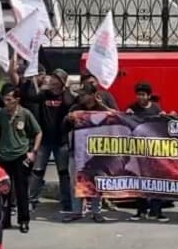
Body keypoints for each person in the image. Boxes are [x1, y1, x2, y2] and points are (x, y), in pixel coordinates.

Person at [63, 85, 115, 223]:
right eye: (80, 94)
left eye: (84, 94)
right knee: (76, 181)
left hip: (96, 152)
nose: (81, 97)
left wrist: (102, 105)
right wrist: (68, 119)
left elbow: (116, 117)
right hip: (77, 151)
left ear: (92, 95)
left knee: (96, 181)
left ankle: (96, 212)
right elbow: (64, 127)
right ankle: (77, 211)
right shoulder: (75, 108)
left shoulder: (101, 109)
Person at [24, 71, 75, 212]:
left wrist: (65, 88)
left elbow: (69, 103)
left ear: (62, 81)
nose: (51, 80)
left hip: (61, 141)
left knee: (63, 173)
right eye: (51, 77)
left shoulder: (66, 96)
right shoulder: (44, 95)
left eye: (55, 78)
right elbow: (30, 96)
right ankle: (31, 200)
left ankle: (66, 202)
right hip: (44, 141)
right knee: (37, 171)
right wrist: (29, 80)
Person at [0, 84, 41, 233]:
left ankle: (24, 220)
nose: (6, 102)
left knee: (21, 190)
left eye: (9, 99)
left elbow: (38, 132)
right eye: (4, 99)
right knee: (4, 190)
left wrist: (33, 152)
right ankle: (4, 219)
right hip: (4, 156)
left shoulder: (25, 113)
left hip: (21, 155)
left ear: (17, 100)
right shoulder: (1, 114)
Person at [127, 82, 167, 221]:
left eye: (143, 95)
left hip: (153, 151)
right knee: (139, 181)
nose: (140, 97)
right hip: (138, 151)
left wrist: (164, 117)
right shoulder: (132, 108)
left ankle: (156, 211)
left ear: (149, 96)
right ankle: (141, 211)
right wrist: (127, 115)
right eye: (138, 94)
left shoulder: (156, 108)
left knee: (156, 181)